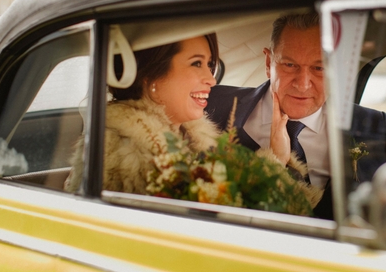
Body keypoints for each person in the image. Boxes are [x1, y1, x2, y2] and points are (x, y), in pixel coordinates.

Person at [64, 32, 321, 214]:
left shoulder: (190, 138)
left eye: (209, 65)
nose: (211, 79)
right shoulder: (123, 151)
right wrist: (274, 163)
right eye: (196, 63)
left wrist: (277, 157)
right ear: (151, 75)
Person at [205, 12, 386, 220]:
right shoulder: (213, 106)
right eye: (289, 65)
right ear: (268, 63)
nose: (303, 84)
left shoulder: (374, 127)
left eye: (319, 68)